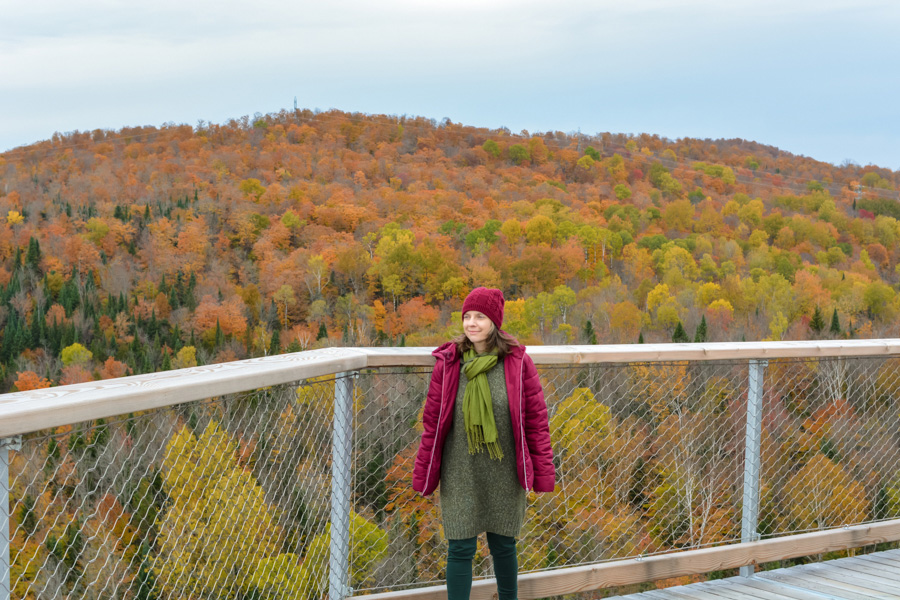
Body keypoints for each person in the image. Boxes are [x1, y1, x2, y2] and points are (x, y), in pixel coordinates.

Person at [412, 287, 556, 600]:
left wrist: (543, 472)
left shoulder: (517, 363)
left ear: (495, 321)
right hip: (460, 470)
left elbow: (536, 423)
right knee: (460, 546)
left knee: (503, 544)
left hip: (504, 468)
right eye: (467, 317)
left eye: (480, 316)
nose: (471, 323)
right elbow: (432, 423)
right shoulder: (449, 363)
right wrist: (424, 472)